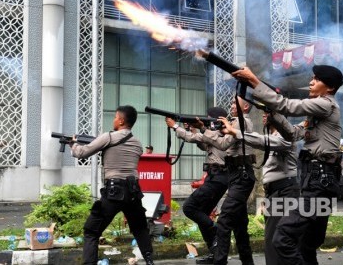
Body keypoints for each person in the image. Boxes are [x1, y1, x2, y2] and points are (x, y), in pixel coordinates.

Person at [233, 64, 343, 265]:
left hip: (321, 181)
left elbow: (287, 106)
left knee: (283, 238)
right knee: (306, 245)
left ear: (329, 88)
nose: (311, 82)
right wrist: (272, 113)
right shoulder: (317, 113)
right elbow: (293, 134)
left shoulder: (325, 104)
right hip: (314, 179)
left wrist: (254, 82)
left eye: (316, 79)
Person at [70, 105, 155, 265]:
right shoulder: (137, 143)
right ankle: (150, 261)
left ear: (121, 121)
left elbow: (81, 153)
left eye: (116, 117)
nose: (114, 120)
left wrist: (73, 144)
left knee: (91, 231)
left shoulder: (108, 137)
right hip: (133, 192)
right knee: (140, 228)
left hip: (114, 191)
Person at [220, 111, 300, 265]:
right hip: (275, 192)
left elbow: (261, 140)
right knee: (272, 239)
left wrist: (234, 131)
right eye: (264, 114)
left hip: (285, 192)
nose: (264, 116)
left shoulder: (285, 136)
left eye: (268, 114)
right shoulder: (275, 136)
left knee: (278, 240)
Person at [165, 107, 230, 265]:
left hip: (218, 178)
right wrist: (194, 128)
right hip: (214, 178)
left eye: (208, 119)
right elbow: (204, 144)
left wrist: (175, 127)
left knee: (189, 207)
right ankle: (215, 253)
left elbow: (195, 139)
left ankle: (215, 232)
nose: (205, 122)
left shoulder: (222, 133)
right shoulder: (214, 134)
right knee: (202, 215)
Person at [200, 96, 255, 265]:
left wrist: (204, 129)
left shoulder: (240, 122)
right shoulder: (235, 122)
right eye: (230, 102)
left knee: (224, 221)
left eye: (234, 103)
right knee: (239, 225)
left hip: (241, 175)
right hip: (236, 175)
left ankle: (219, 261)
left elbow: (223, 144)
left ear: (245, 107)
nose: (230, 105)